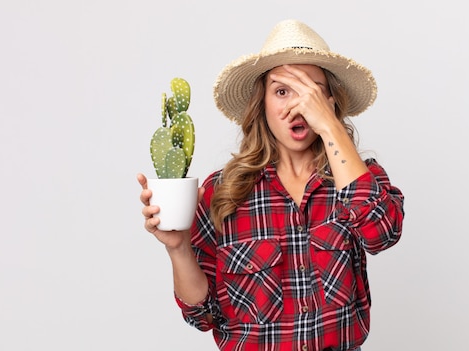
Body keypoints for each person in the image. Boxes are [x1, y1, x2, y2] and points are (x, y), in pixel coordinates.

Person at [137, 19, 405, 351]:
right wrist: (177, 248)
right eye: (282, 91)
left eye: (312, 93)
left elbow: (382, 233)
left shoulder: (359, 178)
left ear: (330, 103)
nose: (297, 106)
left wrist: (329, 126)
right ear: (262, 105)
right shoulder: (222, 192)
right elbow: (203, 315)